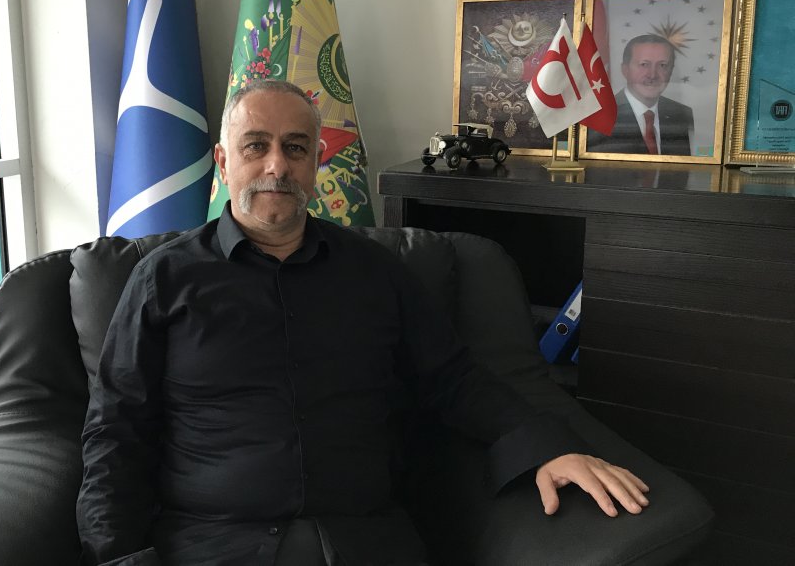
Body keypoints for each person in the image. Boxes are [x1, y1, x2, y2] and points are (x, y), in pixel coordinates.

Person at [77, 79, 649, 566]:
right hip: (212, 543)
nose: (277, 165)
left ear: (316, 163)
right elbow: (116, 430)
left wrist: (548, 447)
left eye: (295, 147)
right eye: (256, 146)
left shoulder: (377, 272)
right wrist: (118, 556)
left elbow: (454, 380)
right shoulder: (163, 280)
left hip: (363, 539)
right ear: (225, 163)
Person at [587, 34, 694, 155]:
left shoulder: (682, 115)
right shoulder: (599, 117)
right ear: (625, 69)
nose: (652, 75)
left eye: (662, 65)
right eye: (644, 64)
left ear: (671, 71)